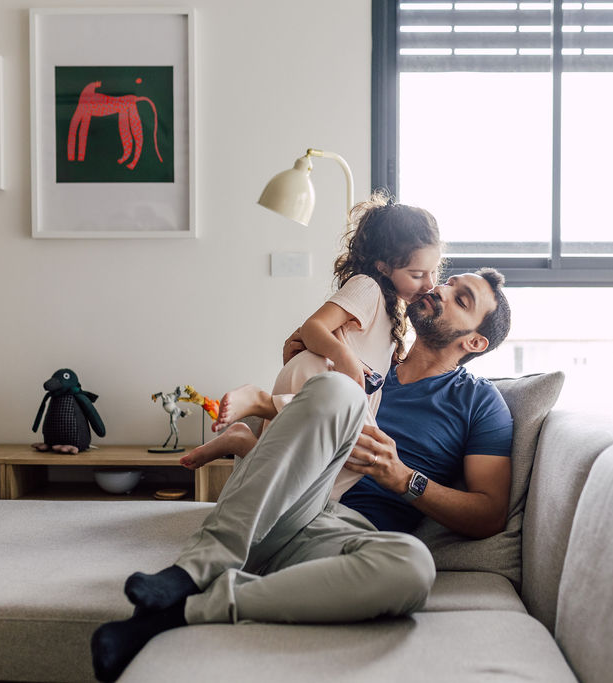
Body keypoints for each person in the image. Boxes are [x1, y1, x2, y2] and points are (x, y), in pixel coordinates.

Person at [90, 268, 513, 683]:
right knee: (341, 389)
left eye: (461, 299)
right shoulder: (368, 358)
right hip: (280, 506)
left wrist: (403, 478)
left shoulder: (478, 402)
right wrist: (302, 376)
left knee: (413, 567)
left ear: (475, 341)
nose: (441, 289)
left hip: (341, 538)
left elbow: (489, 513)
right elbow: (310, 390)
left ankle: (183, 612)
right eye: (449, 282)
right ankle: (197, 566)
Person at [181, 193, 442, 499]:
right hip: (321, 379)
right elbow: (312, 327)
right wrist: (344, 356)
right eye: (417, 274)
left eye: (433, 272)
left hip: (339, 391)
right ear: (383, 266)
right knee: (326, 478)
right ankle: (257, 399)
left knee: (301, 482)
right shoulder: (367, 287)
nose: (430, 284)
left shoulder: (392, 310)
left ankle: (242, 441)